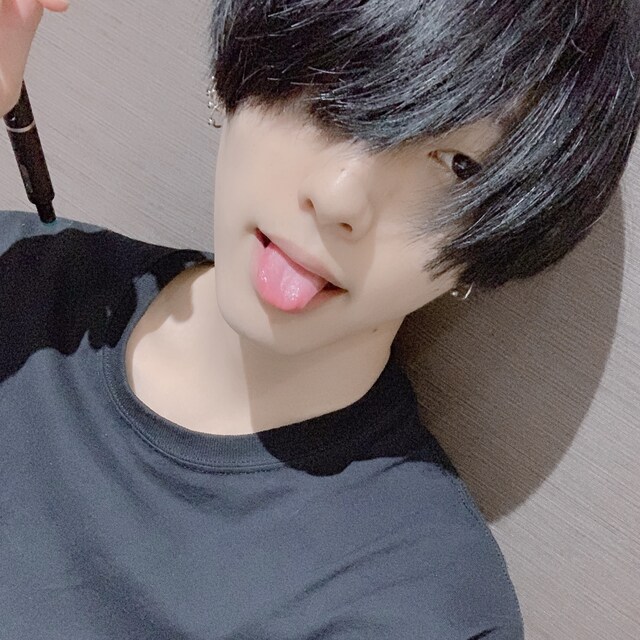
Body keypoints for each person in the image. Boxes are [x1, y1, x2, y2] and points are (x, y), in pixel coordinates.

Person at [1, 0, 638, 637]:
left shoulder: (419, 606)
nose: (338, 198)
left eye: (458, 164)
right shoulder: (17, 271)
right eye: (334, 84)